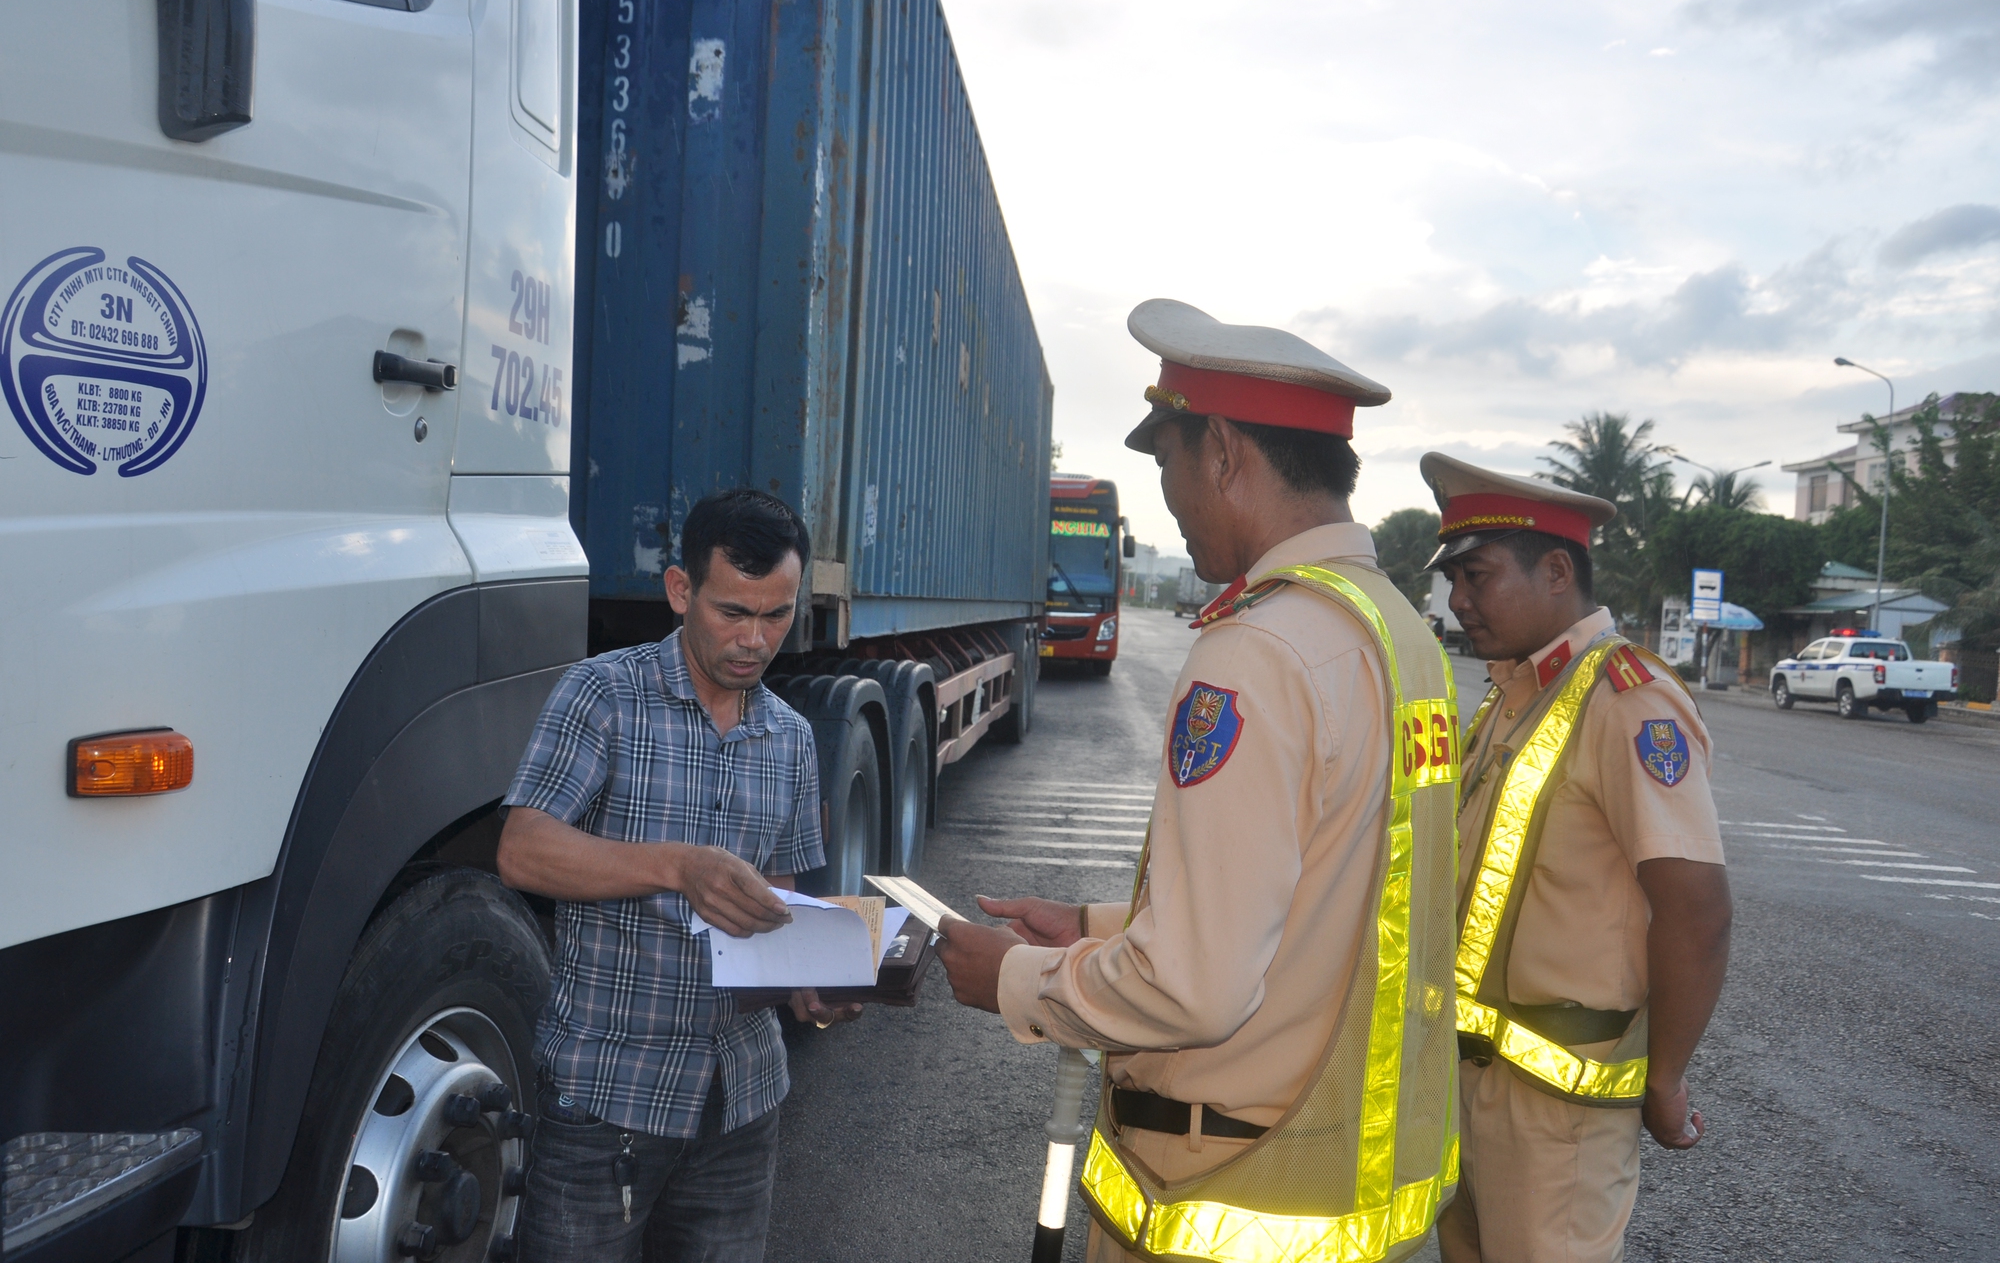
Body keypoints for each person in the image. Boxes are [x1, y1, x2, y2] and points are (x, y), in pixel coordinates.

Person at [938, 299, 1462, 1263]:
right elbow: (1330, 896)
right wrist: (1094, 925)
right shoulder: (1399, 637)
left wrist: (1011, 978)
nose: (1171, 502)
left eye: (1166, 464)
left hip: (1224, 1186)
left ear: (1221, 452)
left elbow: (1193, 989)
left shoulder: (1259, 652)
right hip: (1332, 1174)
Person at [495, 487, 859, 1263]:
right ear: (680, 589)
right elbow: (522, 849)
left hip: (743, 1103)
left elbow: (782, 900)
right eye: (733, 612)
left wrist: (815, 980)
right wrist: (677, 866)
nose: (755, 640)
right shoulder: (603, 695)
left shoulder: (791, 738)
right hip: (607, 1101)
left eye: (777, 615)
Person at [1420, 453, 1733, 1263]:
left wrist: (1665, 1079)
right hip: (1467, 1084)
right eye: (1453, 579)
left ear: (1558, 572)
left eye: (1477, 576)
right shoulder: (1513, 694)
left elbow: (1696, 909)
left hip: (1558, 1115)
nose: (1458, 600)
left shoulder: (1626, 700)